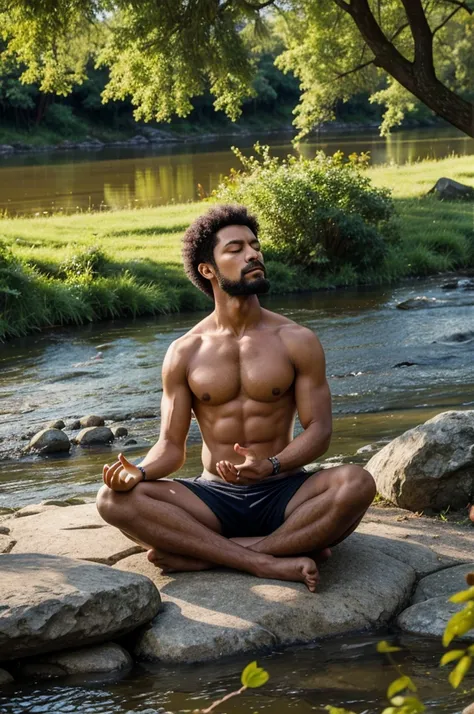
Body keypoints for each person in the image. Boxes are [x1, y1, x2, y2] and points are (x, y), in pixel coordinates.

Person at [97, 204, 376, 592]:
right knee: (112, 500)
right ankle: (270, 558)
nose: (252, 255)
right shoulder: (185, 351)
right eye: (235, 249)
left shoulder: (297, 339)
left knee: (357, 483)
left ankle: (215, 554)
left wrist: (273, 465)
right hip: (213, 498)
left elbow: (320, 431)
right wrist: (138, 473)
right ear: (207, 269)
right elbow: (171, 447)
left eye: (255, 246)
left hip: (286, 492)